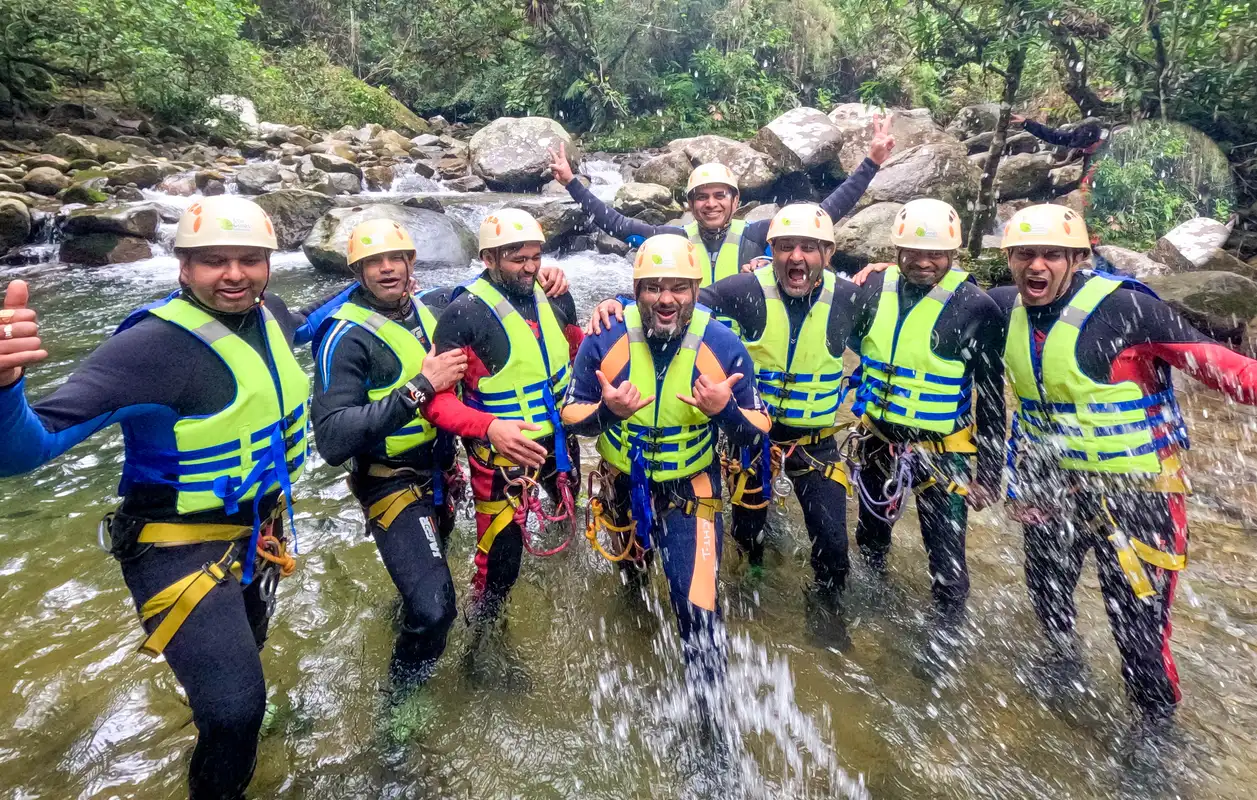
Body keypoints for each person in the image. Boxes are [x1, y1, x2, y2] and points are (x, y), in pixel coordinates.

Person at [0, 195, 345, 799]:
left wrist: (392, 286)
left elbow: (309, 319)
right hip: (175, 550)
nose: (234, 275)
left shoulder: (271, 313)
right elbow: (26, 451)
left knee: (244, 665)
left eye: (249, 260)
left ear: (268, 264)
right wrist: (5, 387)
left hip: (255, 539)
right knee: (236, 712)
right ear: (183, 266)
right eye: (214, 260)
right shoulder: (150, 349)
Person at [990, 204, 1257, 745]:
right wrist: (876, 273)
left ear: (1076, 259)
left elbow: (1232, 374)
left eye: (1051, 255)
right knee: (1048, 598)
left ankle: (1156, 738)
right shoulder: (1003, 308)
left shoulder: (1128, 309)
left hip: (1138, 498)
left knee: (1139, 636)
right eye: (1024, 254)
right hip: (1051, 488)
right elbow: (939, 291)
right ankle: (1064, 675)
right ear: (1010, 259)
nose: (1036, 266)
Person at [310, 219, 548, 703]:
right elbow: (332, 440)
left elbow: (490, 287)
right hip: (390, 482)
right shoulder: (346, 338)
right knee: (436, 609)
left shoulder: (429, 307)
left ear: (411, 263)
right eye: (374, 262)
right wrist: (420, 388)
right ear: (357, 271)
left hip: (440, 473)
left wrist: (544, 276)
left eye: (396, 259)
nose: (387, 269)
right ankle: (399, 709)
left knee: (426, 591)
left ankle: (416, 621)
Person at [561, 233, 771, 686]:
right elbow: (571, 416)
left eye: (678, 287)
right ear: (636, 291)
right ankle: (638, 642)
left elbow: (758, 428)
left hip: (691, 488)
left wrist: (725, 411)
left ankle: (709, 714)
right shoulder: (605, 338)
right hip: (622, 484)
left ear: (696, 290)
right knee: (632, 579)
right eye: (653, 287)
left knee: (697, 609)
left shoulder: (722, 344)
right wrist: (607, 413)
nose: (666, 299)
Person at [432, 208, 584, 642]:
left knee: (568, 517)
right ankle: (481, 647)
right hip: (500, 459)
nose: (530, 268)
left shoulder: (556, 296)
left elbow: (579, 353)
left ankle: (570, 595)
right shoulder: (463, 314)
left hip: (558, 443)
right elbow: (437, 401)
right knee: (500, 569)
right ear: (488, 258)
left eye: (536, 257)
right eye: (518, 259)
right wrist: (488, 427)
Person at [547, 116, 896, 292]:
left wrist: (871, 163)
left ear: (735, 200)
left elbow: (823, 214)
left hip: (743, 352)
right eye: (702, 196)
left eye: (719, 195)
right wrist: (572, 183)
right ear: (690, 203)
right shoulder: (673, 239)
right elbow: (617, 224)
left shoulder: (760, 235)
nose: (711, 204)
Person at [1010, 113, 1106, 175]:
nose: (1083, 150)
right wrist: (1026, 123)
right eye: (1080, 147)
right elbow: (1052, 134)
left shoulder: (1109, 153)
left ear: (1100, 140)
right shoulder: (1076, 137)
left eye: (1086, 147)